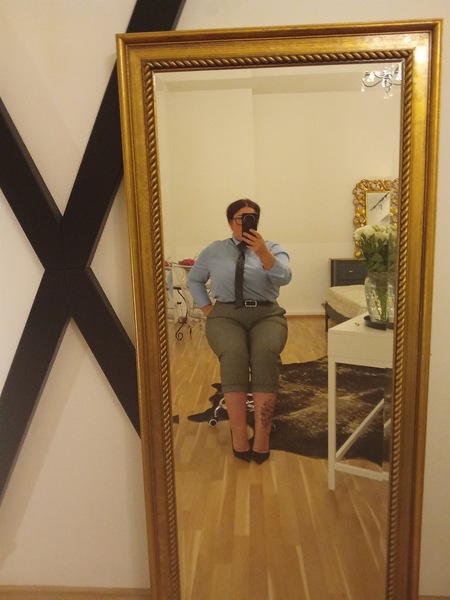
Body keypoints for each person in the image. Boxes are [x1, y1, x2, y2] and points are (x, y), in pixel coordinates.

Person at [188, 199, 292, 463]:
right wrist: (207, 308)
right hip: (225, 315)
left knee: (265, 355)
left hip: (267, 314)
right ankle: (238, 433)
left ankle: (263, 434)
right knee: (234, 356)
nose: (245, 223)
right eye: (239, 218)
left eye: (251, 218)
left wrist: (262, 252)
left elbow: (284, 278)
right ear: (230, 222)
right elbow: (195, 279)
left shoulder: (272, 248)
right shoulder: (215, 250)